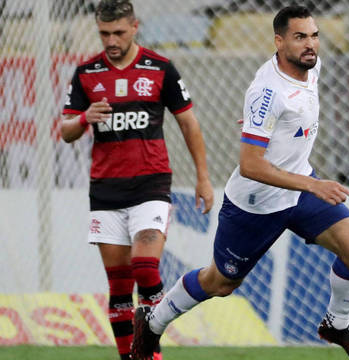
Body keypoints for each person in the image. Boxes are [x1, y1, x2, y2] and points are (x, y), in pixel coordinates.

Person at [131, 5, 349, 360]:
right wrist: (311, 184)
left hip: (298, 187)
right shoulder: (267, 92)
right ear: (279, 42)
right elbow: (250, 165)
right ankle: (152, 322)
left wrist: (262, 130)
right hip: (257, 202)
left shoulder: (311, 66)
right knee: (221, 282)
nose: (310, 45)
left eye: (314, 36)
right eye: (299, 37)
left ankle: (336, 325)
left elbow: (284, 121)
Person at [60, 1, 214, 359]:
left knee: (145, 268)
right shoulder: (86, 73)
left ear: (134, 27)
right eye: (104, 33)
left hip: (151, 185)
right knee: (118, 288)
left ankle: (152, 353)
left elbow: (188, 122)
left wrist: (203, 179)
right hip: (106, 190)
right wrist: (84, 118)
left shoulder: (160, 68)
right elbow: (66, 130)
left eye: (118, 32)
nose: (111, 40)